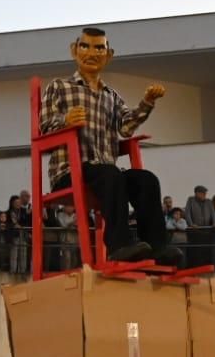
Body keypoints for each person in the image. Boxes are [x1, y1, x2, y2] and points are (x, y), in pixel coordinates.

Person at [39, 26, 176, 264]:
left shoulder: (111, 96)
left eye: (99, 48)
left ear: (108, 55)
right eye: (85, 46)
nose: (92, 52)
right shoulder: (59, 87)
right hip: (70, 171)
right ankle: (119, 244)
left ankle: (157, 246)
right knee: (111, 175)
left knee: (146, 180)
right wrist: (65, 121)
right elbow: (43, 127)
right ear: (74, 50)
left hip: (106, 173)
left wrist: (147, 103)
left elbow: (125, 127)